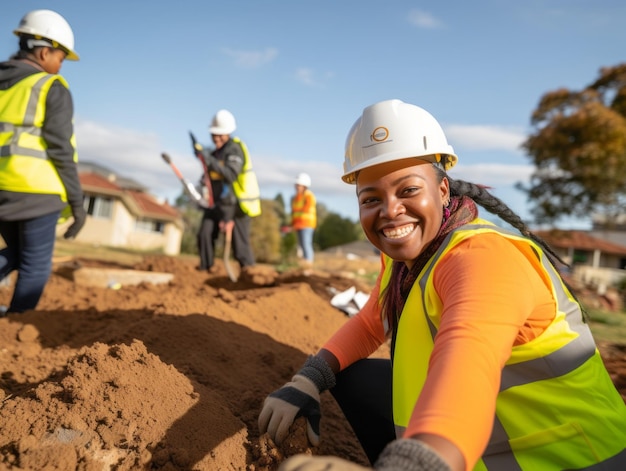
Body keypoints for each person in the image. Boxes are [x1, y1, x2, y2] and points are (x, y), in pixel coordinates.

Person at [258, 99, 626, 470]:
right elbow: (372, 321)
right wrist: (309, 378)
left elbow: (470, 361)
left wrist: (416, 463)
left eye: (407, 190)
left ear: (444, 191)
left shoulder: (484, 257)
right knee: (356, 377)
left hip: (573, 459)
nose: (390, 210)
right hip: (481, 451)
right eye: (371, 198)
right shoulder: (405, 261)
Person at [0, 10, 86, 315]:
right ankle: (12, 333)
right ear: (44, 51)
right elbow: (61, 149)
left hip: (3, 190)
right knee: (34, 267)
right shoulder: (51, 87)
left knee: (17, 253)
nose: (60, 66)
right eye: (61, 58)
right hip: (37, 191)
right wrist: (77, 202)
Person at [196, 109, 261, 273]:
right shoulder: (215, 152)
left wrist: (210, 160)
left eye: (221, 134)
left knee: (239, 246)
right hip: (218, 202)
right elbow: (211, 174)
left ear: (229, 132)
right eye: (214, 134)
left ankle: (250, 274)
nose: (216, 138)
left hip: (239, 204)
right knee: (205, 233)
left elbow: (231, 174)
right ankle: (206, 269)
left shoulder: (235, 149)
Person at [291, 172, 317, 266]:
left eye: (299, 185)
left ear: (305, 186)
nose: (297, 187)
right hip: (299, 225)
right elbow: (295, 213)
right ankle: (304, 264)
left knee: (306, 244)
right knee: (301, 245)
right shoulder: (296, 198)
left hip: (307, 224)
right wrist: (293, 224)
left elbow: (305, 211)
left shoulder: (309, 196)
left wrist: (296, 224)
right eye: (296, 185)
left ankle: (308, 264)